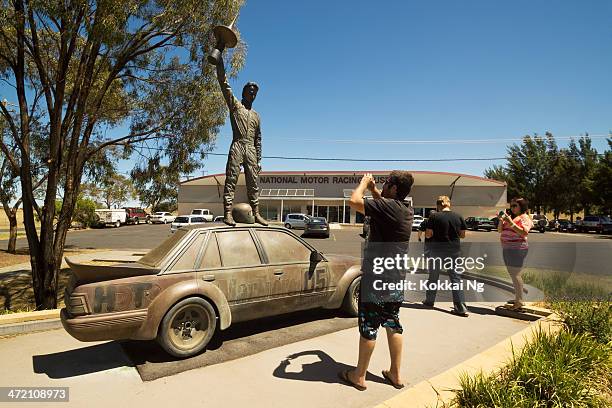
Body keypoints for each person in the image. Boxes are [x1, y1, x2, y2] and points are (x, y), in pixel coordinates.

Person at [339, 171, 414, 391]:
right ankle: (396, 374)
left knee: (370, 324)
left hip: (376, 277)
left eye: (386, 183)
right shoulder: (404, 209)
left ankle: (359, 376)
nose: (383, 185)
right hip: (395, 277)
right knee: (393, 322)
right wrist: (374, 190)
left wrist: (363, 184)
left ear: (393, 188)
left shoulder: (389, 207)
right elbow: (382, 205)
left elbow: (354, 202)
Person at [215, 56, 267, 226]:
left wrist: (259, 159)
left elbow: (258, 138)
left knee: (254, 183)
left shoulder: (257, 116)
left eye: (255, 93)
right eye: (250, 91)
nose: (252, 94)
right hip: (238, 145)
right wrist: (219, 60)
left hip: (251, 149)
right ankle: (227, 213)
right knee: (231, 179)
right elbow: (224, 83)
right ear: (243, 92)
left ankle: (256, 213)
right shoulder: (236, 106)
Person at [422, 196, 469, 317]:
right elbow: (463, 235)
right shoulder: (458, 216)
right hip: (453, 251)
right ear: (449, 204)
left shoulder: (434, 216)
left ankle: (429, 301)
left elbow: (428, 235)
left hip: (436, 251)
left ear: (438, 205)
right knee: (455, 278)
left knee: (433, 277)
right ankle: (460, 308)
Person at [497, 198, 533, 310]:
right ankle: (518, 297)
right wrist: (501, 220)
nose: (512, 208)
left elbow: (524, 232)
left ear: (521, 207)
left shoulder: (524, 218)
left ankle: (519, 302)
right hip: (508, 249)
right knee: (513, 274)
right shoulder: (512, 217)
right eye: (511, 206)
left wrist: (510, 223)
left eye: (514, 206)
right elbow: (499, 230)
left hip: (517, 249)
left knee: (515, 274)